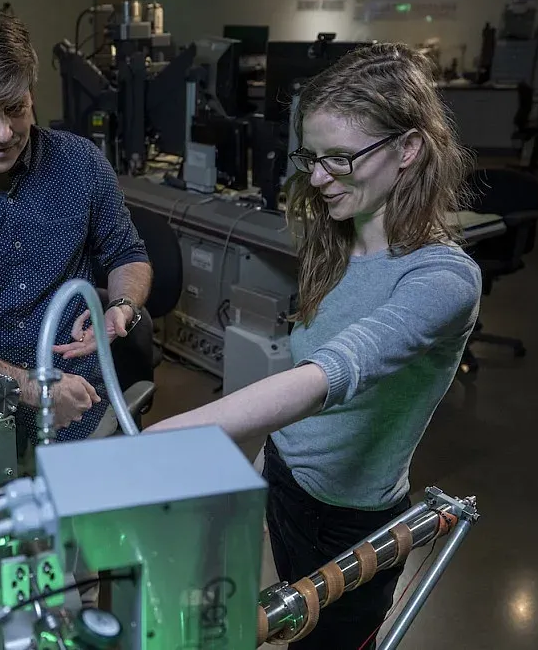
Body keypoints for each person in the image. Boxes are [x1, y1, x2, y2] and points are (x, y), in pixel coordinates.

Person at [146, 44, 482, 648]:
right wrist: (260, 476)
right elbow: (303, 376)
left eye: (340, 159)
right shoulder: (337, 242)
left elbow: (329, 374)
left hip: (351, 525)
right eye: (312, 157)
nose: (319, 178)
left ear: (408, 148)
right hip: (285, 486)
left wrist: (169, 438)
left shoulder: (442, 280)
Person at [0, 6, 152, 444]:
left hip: (84, 406)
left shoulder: (80, 163)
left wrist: (122, 307)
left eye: (15, 109)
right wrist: (33, 388)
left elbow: (128, 254)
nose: (4, 133)